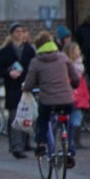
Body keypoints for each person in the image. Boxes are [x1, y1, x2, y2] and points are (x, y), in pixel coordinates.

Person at [22, 31, 80, 165]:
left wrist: (26, 88)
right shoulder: (63, 57)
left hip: (48, 101)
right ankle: (69, 149)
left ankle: (41, 144)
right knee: (68, 120)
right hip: (67, 100)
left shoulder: (36, 61)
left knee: (42, 119)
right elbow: (76, 78)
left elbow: (29, 84)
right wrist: (72, 86)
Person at [0, 22, 36, 159]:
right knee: (14, 116)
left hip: (27, 86)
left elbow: (34, 67)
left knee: (27, 114)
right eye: (17, 31)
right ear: (12, 34)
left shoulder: (29, 50)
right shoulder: (5, 51)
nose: (19, 34)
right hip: (12, 87)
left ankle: (26, 142)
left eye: (21, 31)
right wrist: (9, 73)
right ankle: (16, 146)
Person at [63, 42, 90, 149]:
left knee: (77, 118)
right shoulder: (67, 66)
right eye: (76, 50)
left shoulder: (80, 65)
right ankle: (71, 140)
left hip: (79, 93)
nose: (79, 52)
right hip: (72, 94)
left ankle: (75, 140)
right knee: (73, 118)